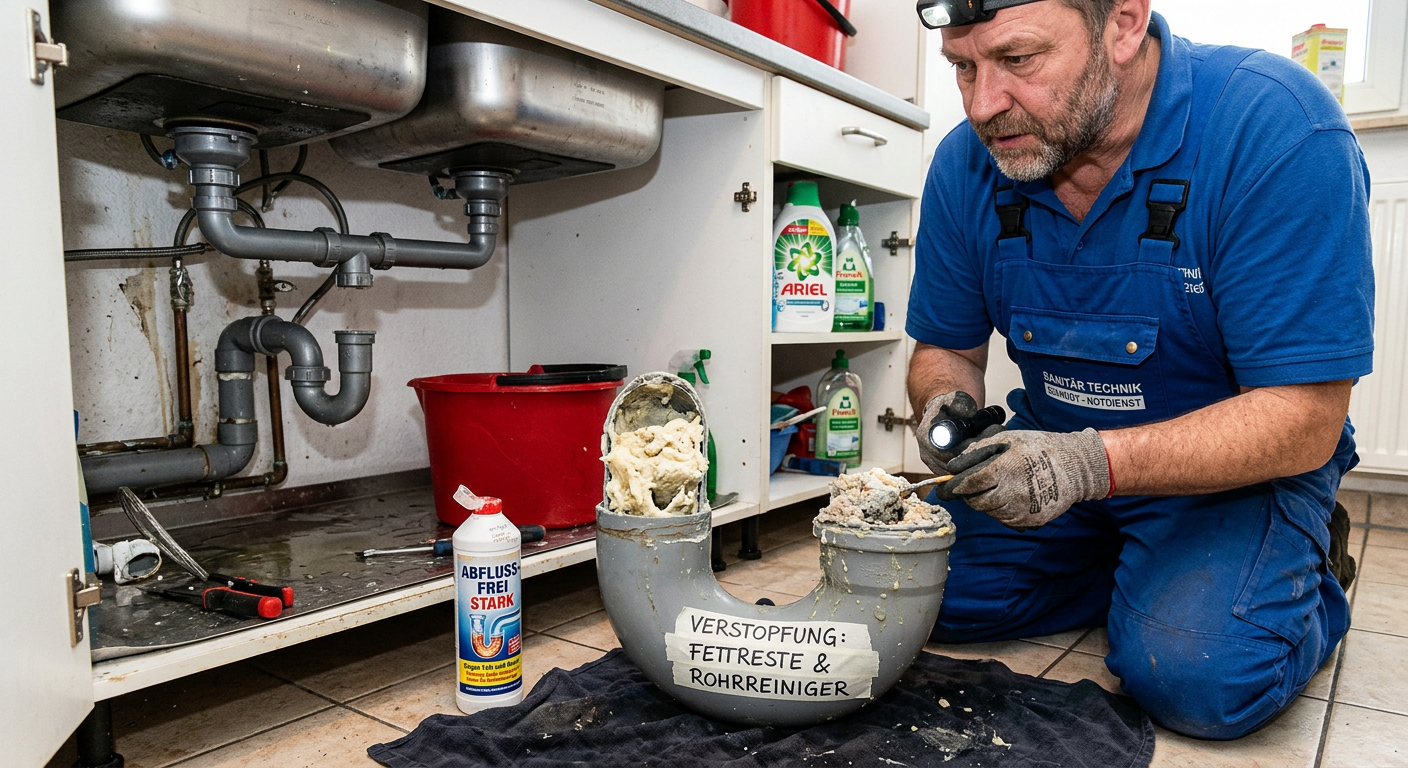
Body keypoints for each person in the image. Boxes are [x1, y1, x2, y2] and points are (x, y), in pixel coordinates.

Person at [906, 0, 1374, 740]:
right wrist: (944, 413)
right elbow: (948, 350)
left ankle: (1299, 567)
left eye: (1019, 60)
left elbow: (1304, 416)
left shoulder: (1272, 125)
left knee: (1199, 675)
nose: (984, 104)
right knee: (913, 593)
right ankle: (1137, 568)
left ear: (1122, 24)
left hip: (1231, 480)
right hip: (1053, 461)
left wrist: (1088, 465)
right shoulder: (969, 161)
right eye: (963, 67)